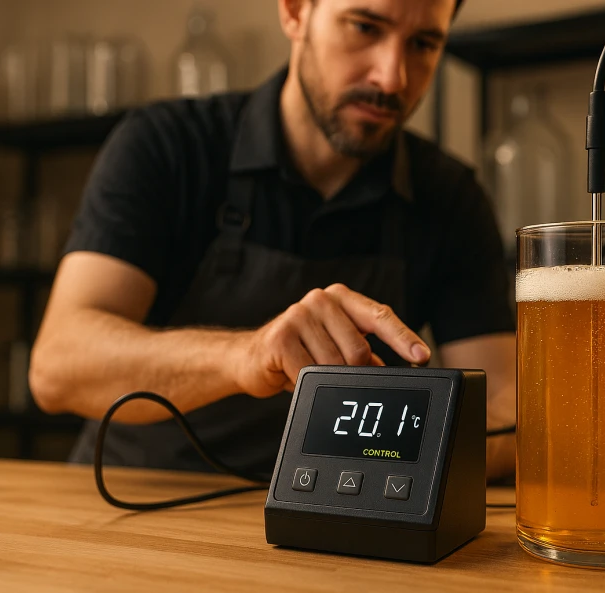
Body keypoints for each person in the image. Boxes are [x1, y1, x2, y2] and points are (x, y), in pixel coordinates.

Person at [29, 0, 516, 480]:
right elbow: (58, 367)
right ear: (295, 12)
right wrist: (245, 356)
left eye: (424, 43)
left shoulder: (449, 198)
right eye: (365, 27)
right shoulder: (167, 145)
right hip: (135, 508)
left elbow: (505, 413)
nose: (392, 78)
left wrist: (415, 444)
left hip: (331, 522)